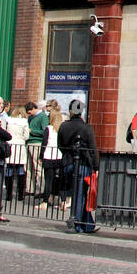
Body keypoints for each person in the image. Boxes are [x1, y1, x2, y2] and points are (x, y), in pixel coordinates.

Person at [58, 98, 99, 233]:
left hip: (68, 163)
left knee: (76, 193)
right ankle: (78, 224)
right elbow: (93, 149)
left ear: (71, 111)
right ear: (81, 112)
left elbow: (60, 145)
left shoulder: (64, 126)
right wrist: (96, 166)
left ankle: (87, 224)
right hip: (82, 164)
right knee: (80, 194)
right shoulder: (86, 128)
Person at [4, 105, 30, 202]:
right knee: (20, 170)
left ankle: (8, 194)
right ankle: (20, 194)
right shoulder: (24, 122)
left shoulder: (9, 120)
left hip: (10, 145)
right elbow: (27, 136)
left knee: (9, 169)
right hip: (20, 145)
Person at [41, 101, 63, 208]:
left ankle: (45, 201)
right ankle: (59, 200)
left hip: (48, 156)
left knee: (48, 180)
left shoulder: (48, 129)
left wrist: (41, 156)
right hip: (59, 156)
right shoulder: (62, 129)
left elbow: (44, 144)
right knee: (58, 179)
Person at [25, 101, 48, 197]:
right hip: (29, 143)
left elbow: (44, 131)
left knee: (37, 168)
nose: (29, 114)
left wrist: (32, 131)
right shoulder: (31, 117)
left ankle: (40, 190)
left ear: (33, 109)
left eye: (29, 112)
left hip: (37, 143)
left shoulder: (43, 117)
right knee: (28, 167)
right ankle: (29, 189)